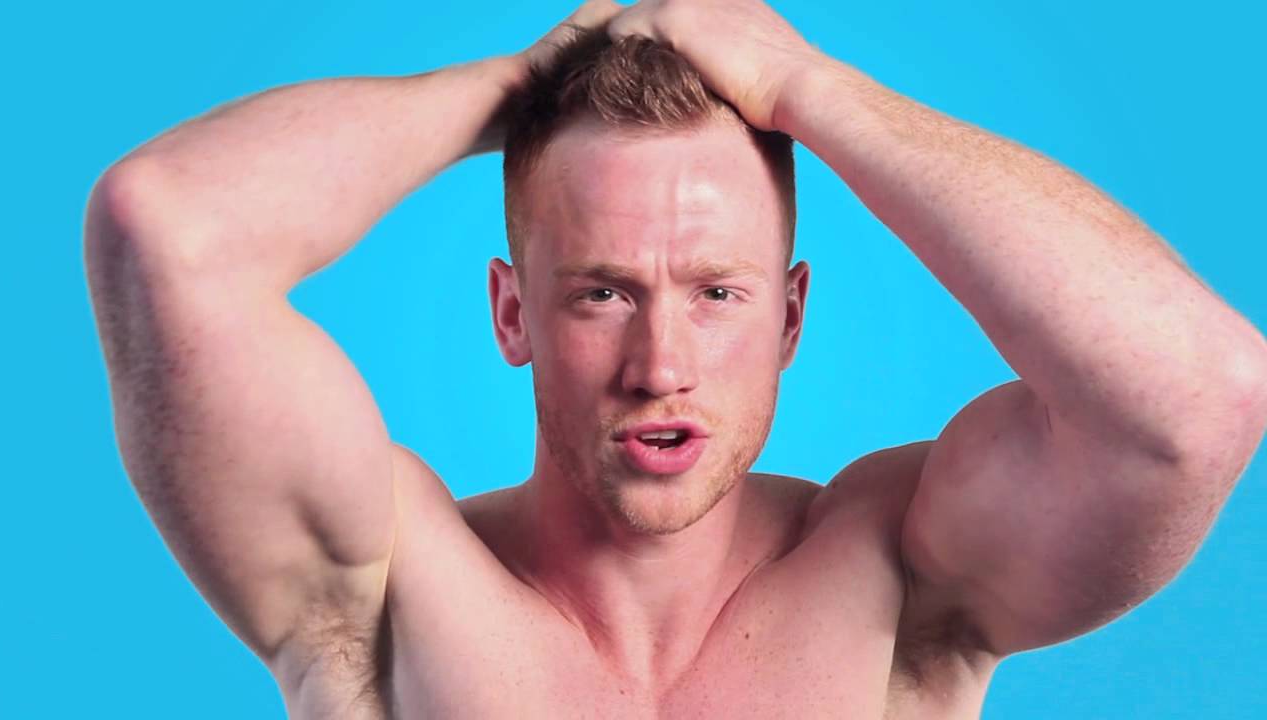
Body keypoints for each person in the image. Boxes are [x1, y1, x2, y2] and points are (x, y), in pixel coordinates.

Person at [84, 1, 1267, 717]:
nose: (659, 365)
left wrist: (810, 90)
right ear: (512, 316)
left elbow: (1193, 398)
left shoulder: (897, 574)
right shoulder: (387, 591)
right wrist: (517, 87)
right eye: (602, 293)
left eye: (715, 294)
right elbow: (165, 231)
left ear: (790, 319)